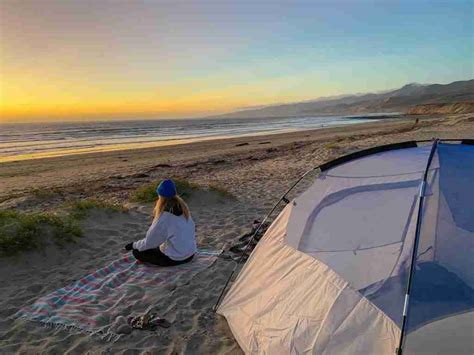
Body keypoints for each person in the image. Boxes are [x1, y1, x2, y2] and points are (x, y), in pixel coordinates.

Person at [124, 179, 196, 266]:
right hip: (191, 254)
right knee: (159, 243)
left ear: (160, 196)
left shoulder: (164, 217)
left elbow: (149, 242)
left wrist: (133, 245)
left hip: (177, 259)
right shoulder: (184, 209)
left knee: (137, 252)